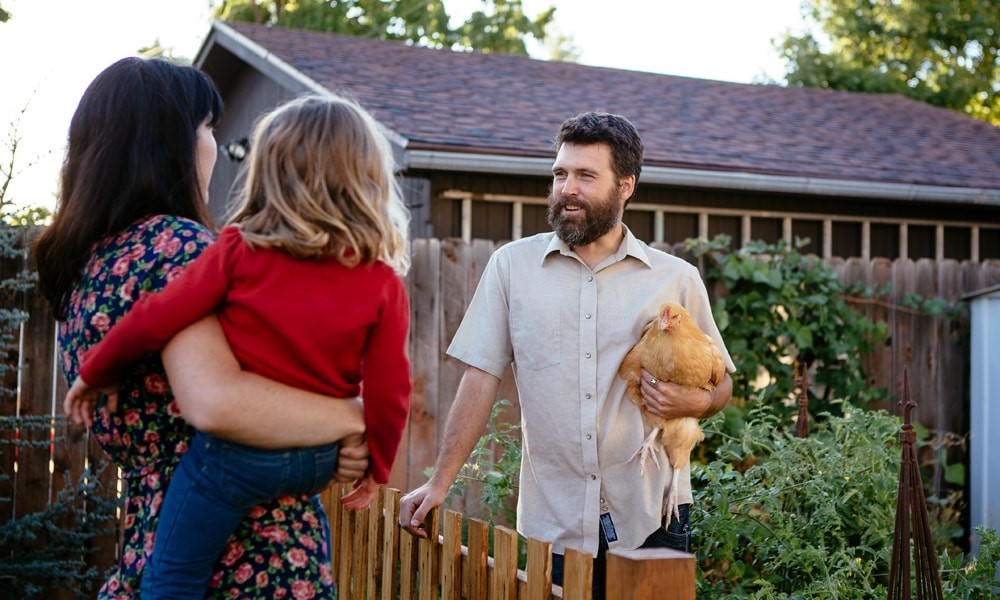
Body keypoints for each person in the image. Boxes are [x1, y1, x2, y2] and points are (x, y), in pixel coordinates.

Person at [34, 57, 371, 599]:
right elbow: (215, 402)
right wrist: (351, 417)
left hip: (155, 542)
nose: (214, 145)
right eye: (208, 129)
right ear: (170, 143)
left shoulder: (87, 269)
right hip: (242, 562)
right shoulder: (179, 251)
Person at [398, 111, 736, 598]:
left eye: (585, 176)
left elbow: (720, 381)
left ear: (625, 186)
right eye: (560, 174)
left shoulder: (675, 279)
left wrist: (696, 405)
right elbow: (480, 378)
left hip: (651, 515)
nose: (567, 189)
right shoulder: (512, 267)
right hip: (553, 524)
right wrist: (439, 482)